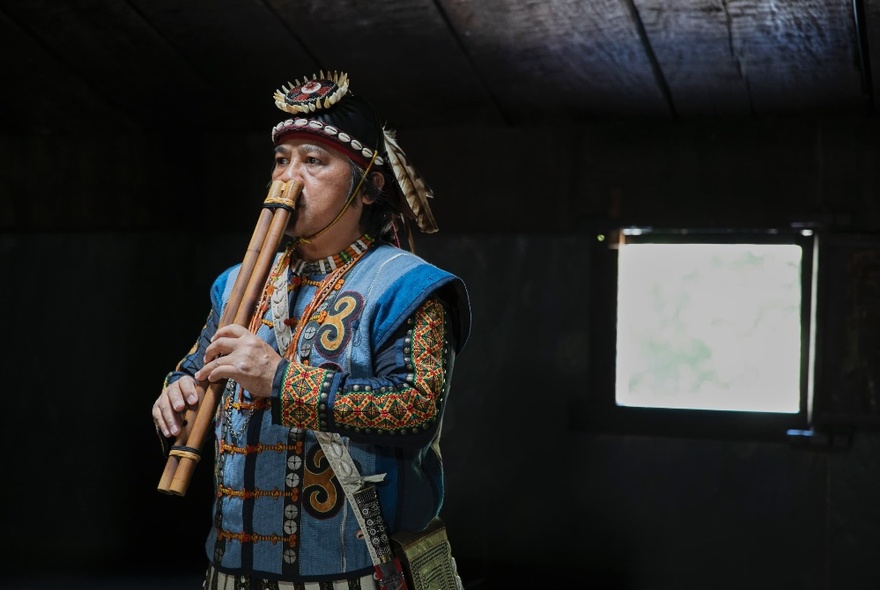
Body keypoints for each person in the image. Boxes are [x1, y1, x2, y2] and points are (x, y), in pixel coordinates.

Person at [151, 70, 471, 589]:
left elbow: (415, 408)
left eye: (314, 161)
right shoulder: (237, 283)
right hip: (231, 570)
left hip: (355, 572)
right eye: (282, 160)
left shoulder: (409, 286)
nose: (288, 179)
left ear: (369, 188)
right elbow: (194, 366)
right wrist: (176, 391)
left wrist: (279, 379)